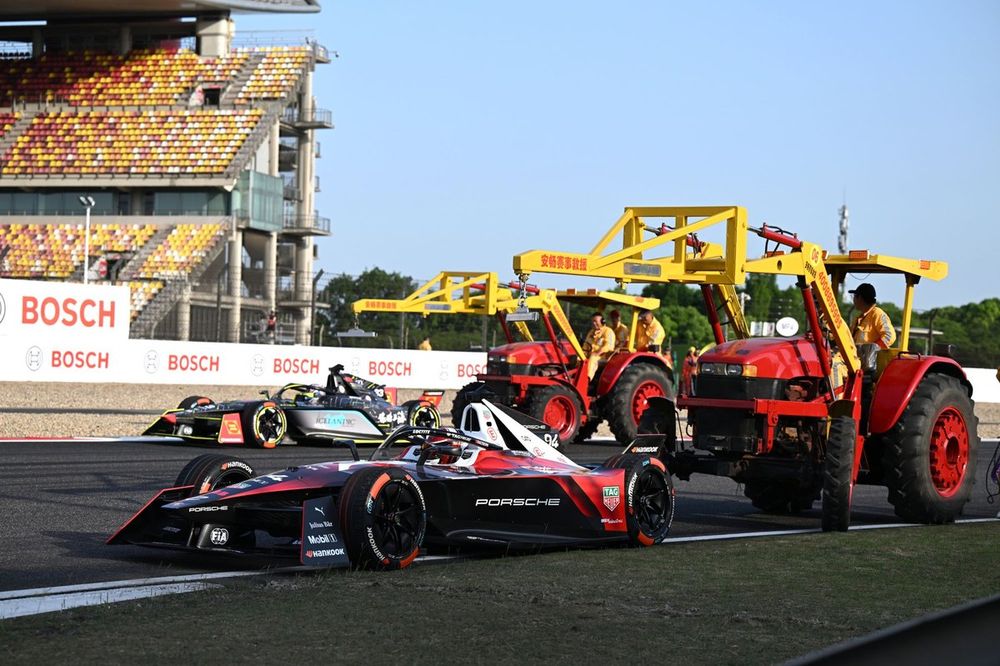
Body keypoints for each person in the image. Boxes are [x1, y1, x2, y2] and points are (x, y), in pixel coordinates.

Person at [849, 283, 895, 349]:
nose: (853, 300)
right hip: (856, 358)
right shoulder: (858, 319)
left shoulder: (877, 314)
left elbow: (889, 336)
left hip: (870, 359)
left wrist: (873, 349)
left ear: (860, 298)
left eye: (855, 296)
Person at [582, 312, 616, 380]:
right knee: (578, 358)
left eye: (595, 321)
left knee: (593, 358)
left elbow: (608, 347)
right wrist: (582, 355)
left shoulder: (608, 331)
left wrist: (597, 353)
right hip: (590, 354)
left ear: (603, 321)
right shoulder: (591, 332)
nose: (594, 323)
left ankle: (586, 379)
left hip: (603, 356)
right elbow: (585, 345)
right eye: (592, 321)